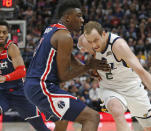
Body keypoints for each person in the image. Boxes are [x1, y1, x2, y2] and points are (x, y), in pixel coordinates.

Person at [23, 1, 110, 131]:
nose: (82, 20)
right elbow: (63, 76)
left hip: (33, 85)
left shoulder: (52, 29)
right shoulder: (64, 36)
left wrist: (88, 69)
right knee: (92, 117)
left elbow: (71, 59)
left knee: (62, 120)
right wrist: (88, 66)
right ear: (68, 17)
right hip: (42, 87)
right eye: (79, 16)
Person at [78, 21, 151, 131]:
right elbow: (80, 43)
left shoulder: (119, 46)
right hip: (109, 88)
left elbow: (141, 71)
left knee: (150, 128)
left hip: (132, 88)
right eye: (90, 42)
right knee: (116, 110)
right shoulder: (89, 41)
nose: (94, 45)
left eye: (96, 40)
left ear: (104, 34)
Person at [0, 20, 49, 131]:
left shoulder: (11, 48)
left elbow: (22, 72)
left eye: (4, 32)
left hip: (19, 92)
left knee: (40, 126)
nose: (1, 35)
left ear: (8, 33)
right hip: (1, 93)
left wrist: (5, 77)